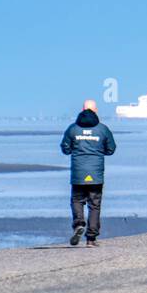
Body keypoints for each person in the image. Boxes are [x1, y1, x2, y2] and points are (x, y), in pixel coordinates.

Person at [60, 99, 116, 246]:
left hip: (78, 173)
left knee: (77, 200)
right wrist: (98, 151)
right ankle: (91, 239)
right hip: (96, 173)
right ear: (96, 110)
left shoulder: (73, 129)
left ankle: (79, 223)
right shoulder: (102, 129)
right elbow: (111, 149)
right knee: (94, 205)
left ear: (82, 109)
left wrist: (76, 150)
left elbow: (65, 148)